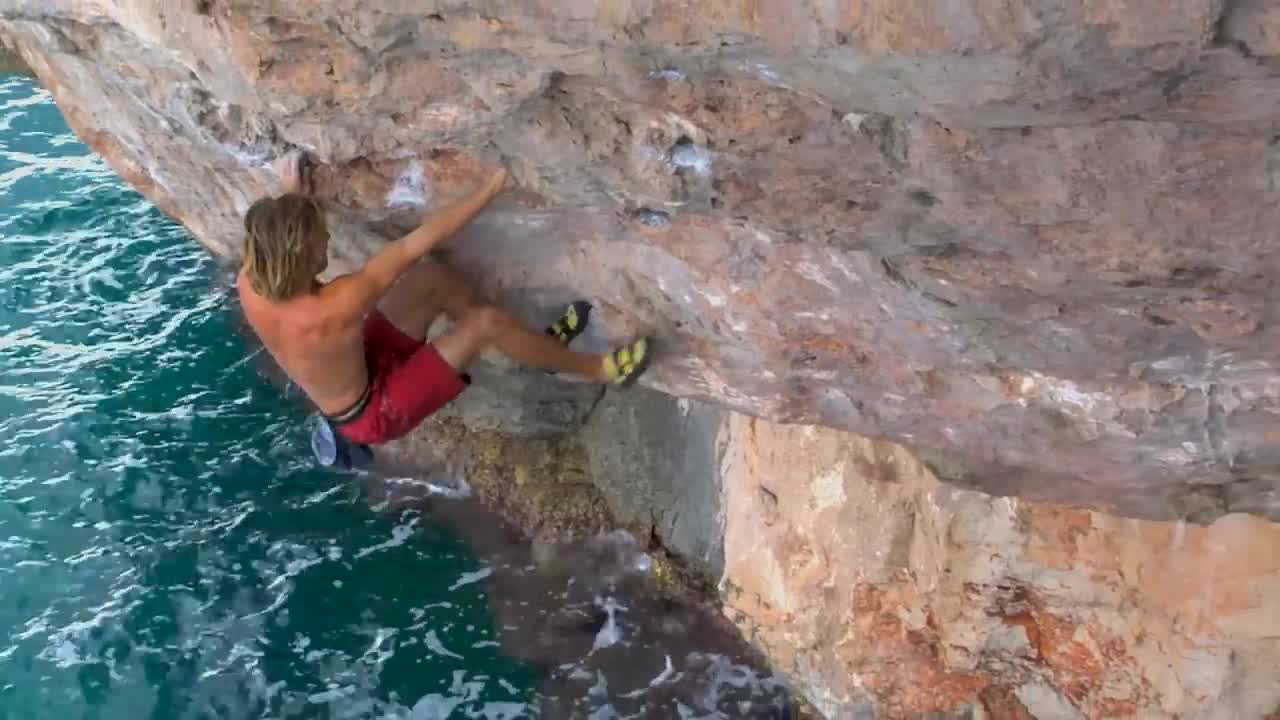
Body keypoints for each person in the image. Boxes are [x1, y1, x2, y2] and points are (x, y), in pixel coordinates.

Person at [236, 151, 651, 446]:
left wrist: (291, 196)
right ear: (304, 256)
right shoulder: (335, 305)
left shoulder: (250, 279)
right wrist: (494, 185)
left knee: (431, 279)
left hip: (360, 364)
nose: (327, 240)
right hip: (373, 411)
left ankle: (527, 347)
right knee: (485, 323)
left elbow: (278, 238)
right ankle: (597, 368)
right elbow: (415, 243)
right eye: (320, 242)